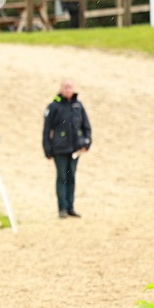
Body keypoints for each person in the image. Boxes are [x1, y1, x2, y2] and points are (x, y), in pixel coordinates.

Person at [42, 78, 92, 218]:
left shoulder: (78, 106)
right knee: (62, 177)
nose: (68, 90)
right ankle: (62, 208)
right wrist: (47, 148)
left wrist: (86, 142)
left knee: (72, 177)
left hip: (75, 149)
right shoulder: (54, 106)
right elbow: (46, 130)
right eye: (66, 87)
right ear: (61, 89)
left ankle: (70, 207)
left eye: (70, 87)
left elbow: (86, 126)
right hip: (59, 149)